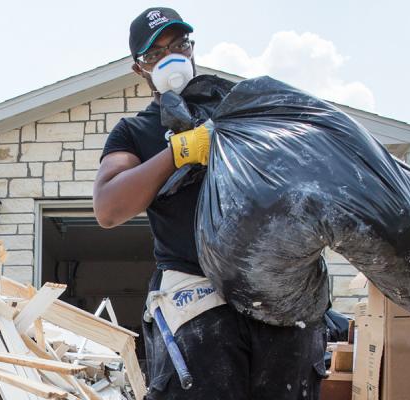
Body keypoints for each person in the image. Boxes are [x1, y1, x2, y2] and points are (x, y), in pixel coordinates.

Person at [93, 7, 327, 400]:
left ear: (192, 48)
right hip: (196, 292)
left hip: (275, 284)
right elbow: (108, 208)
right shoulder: (135, 132)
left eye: (179, 44)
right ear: (140, 68)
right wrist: (178, 152)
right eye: (155, 54)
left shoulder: (241, 112)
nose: (171, 57)